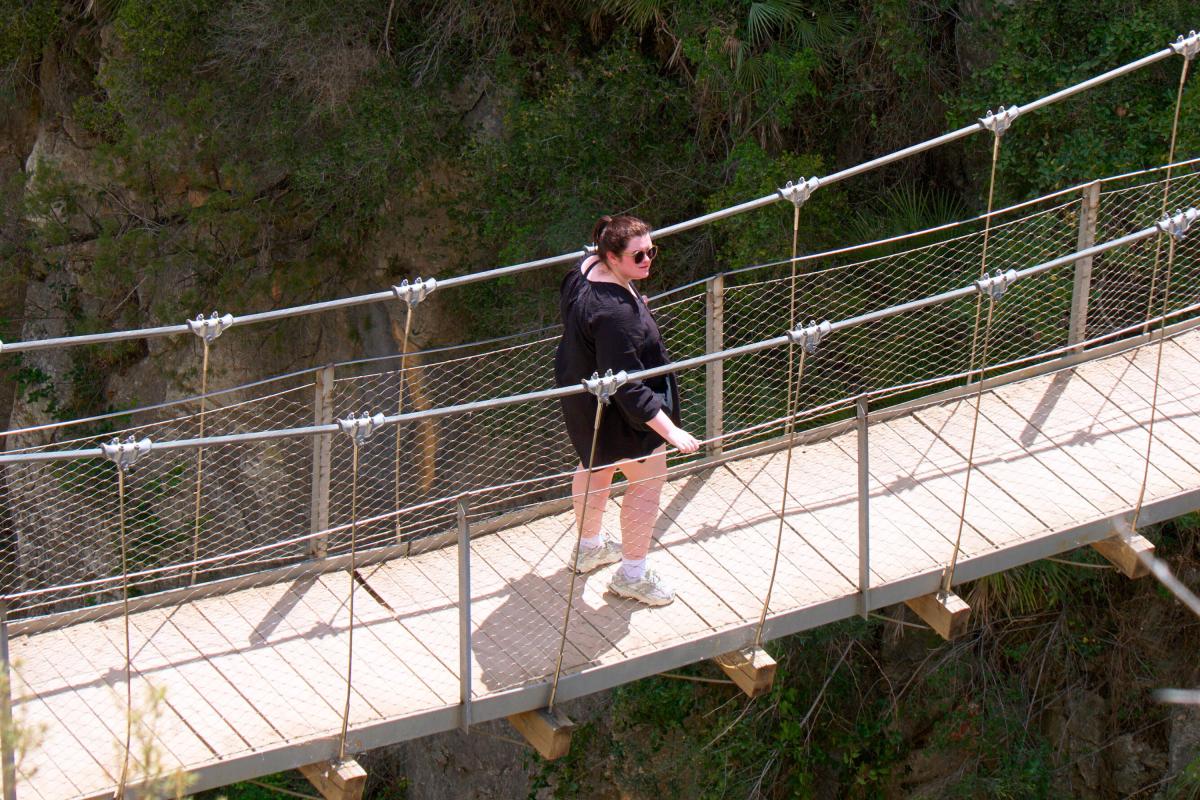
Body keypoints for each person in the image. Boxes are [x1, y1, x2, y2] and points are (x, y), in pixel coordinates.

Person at [554, 214, 701, 606]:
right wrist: (671, 433)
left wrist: (635, 305)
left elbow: (590, 326)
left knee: (594, 464)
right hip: (621, 412)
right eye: (638, 256)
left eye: (652, 250)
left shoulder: (584, 272)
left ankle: (588, 548)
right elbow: (630, 387)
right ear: (612, 257)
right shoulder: (616, 314)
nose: (648, 260)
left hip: (582, 397)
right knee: (648, 484)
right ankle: (632, 575)